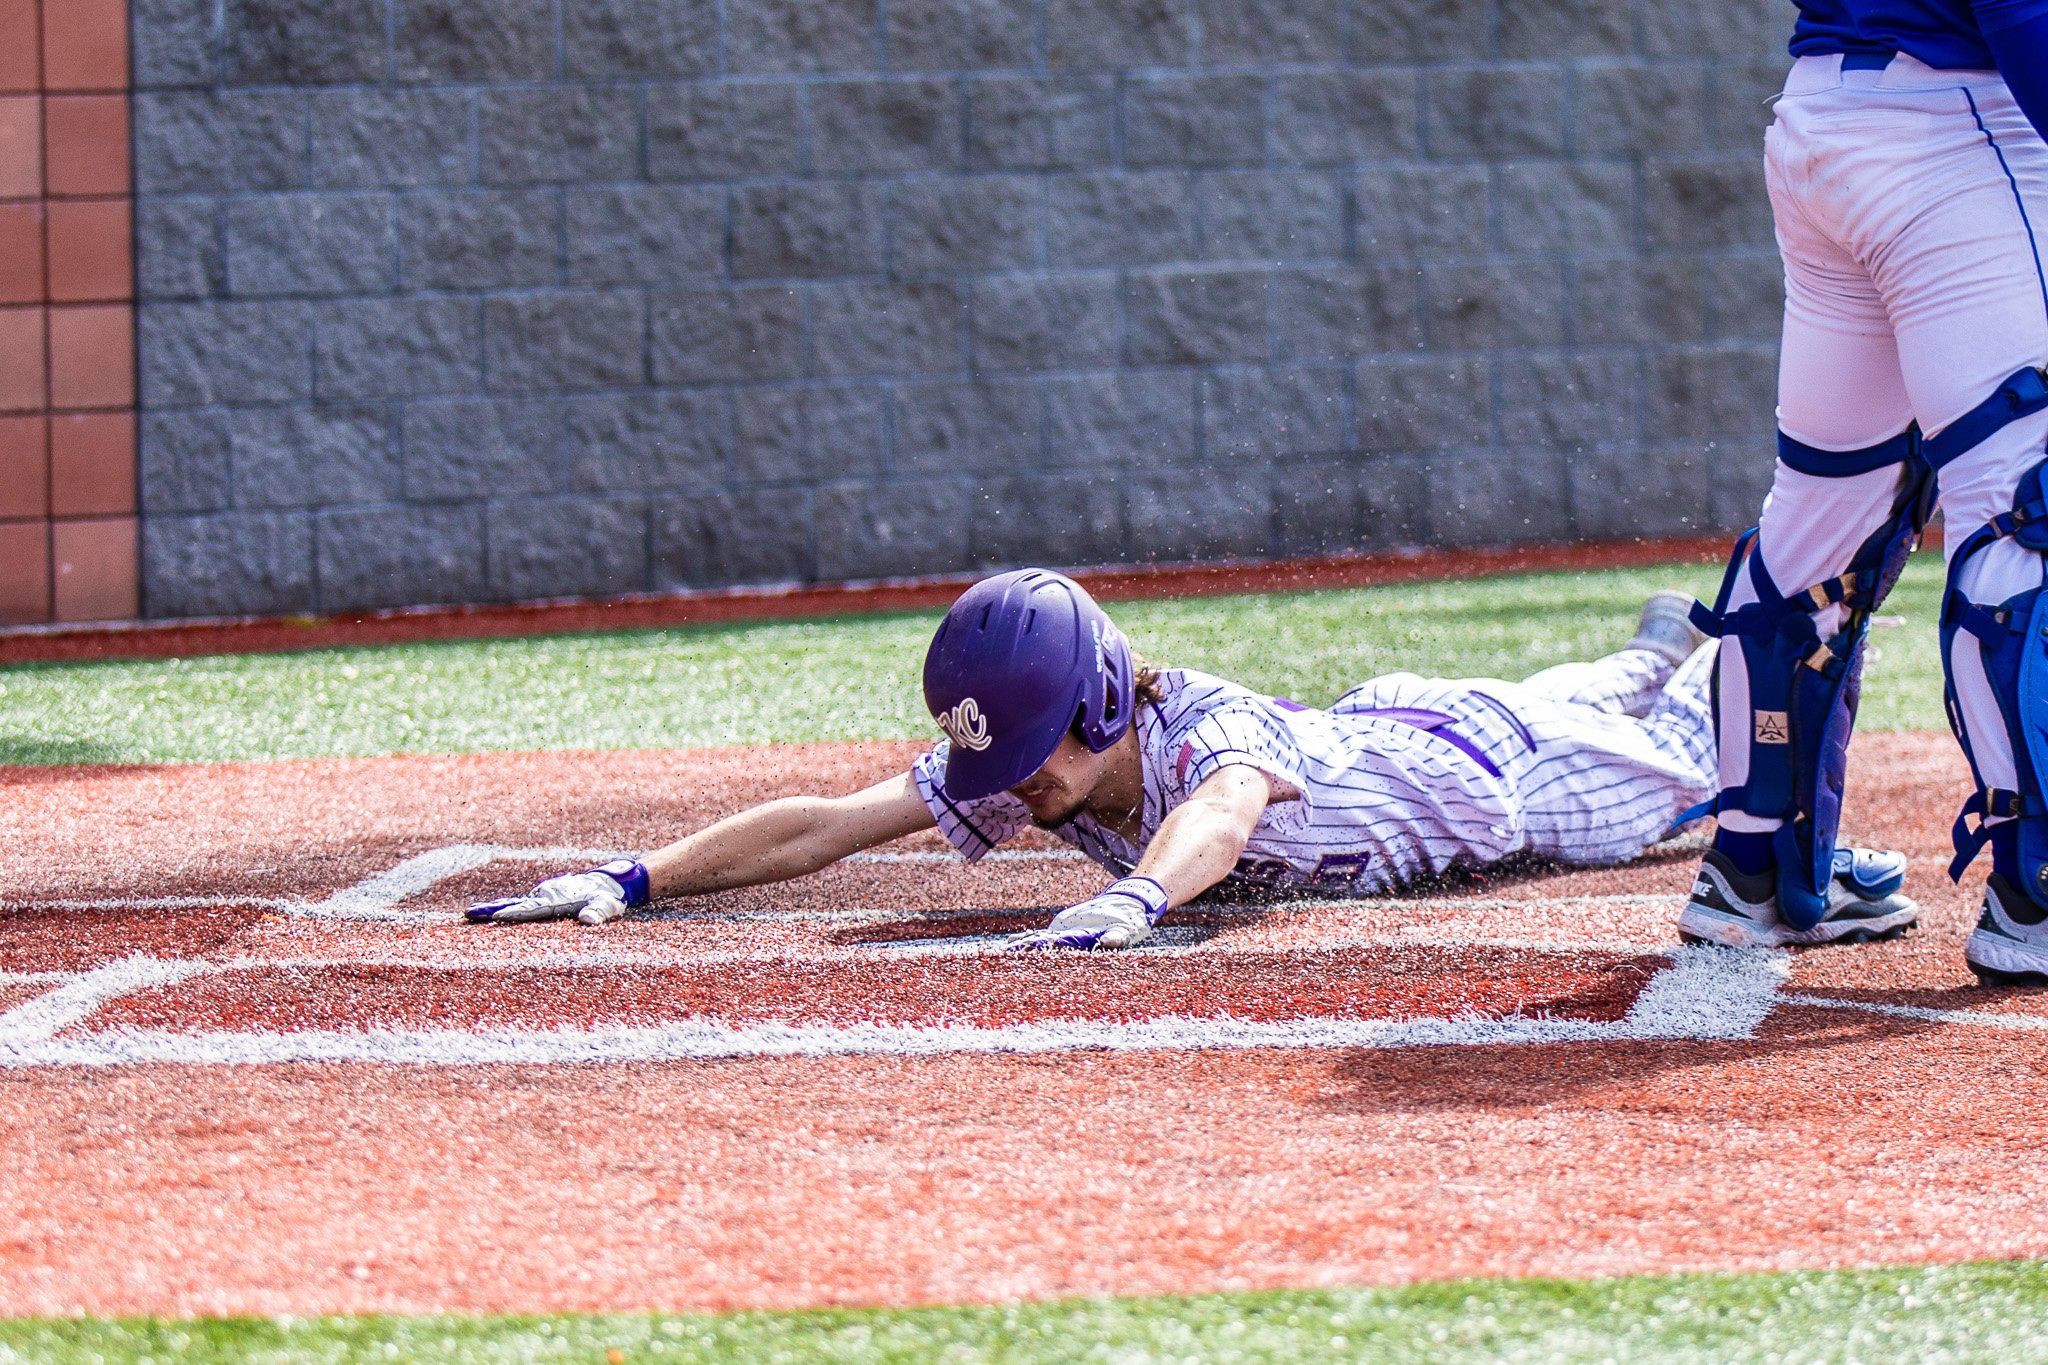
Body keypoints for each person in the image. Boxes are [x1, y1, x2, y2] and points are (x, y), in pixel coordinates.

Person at [466, 570, 1916, 950]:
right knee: (1579, 679)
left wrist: (1136, 898)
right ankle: (1648, 647)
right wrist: (635, 873)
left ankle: (1740, 634)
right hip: (1397, 712)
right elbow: (830, 826)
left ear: (1101, 698)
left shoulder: (1201, 724)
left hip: (1510, 783)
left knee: (1721, 757)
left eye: (1036, 754)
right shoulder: (1041, 757)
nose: (1017, 789)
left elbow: (1223, 811)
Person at [1679, 1, 2048, 981]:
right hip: (1966, 122)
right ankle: (2035, 887)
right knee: (2025, 509)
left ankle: (1751, 867)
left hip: (1825, 122)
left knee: (1816, 522)